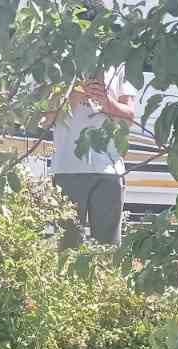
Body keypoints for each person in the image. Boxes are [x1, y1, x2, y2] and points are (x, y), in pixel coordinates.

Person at [47, 69, 138, 247]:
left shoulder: (119, 61)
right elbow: (46, 118)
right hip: (68, 169)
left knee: (108, 250)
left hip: (109, 170)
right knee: (67, 248)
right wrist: (74, 93)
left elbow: (129, 117)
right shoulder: (59, 59)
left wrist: (106, 102)